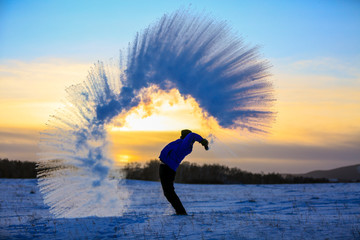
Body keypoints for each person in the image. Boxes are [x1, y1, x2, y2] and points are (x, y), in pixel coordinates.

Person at [159, 129, 209, 215]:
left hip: (168, 168)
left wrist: (202, 141)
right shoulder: (181, 142)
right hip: (165, 167)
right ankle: (180, 211)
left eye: (183, 135)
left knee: (169, 192)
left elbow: (192, 135)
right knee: (168, 192)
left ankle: (181, 212)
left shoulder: (185, 145)